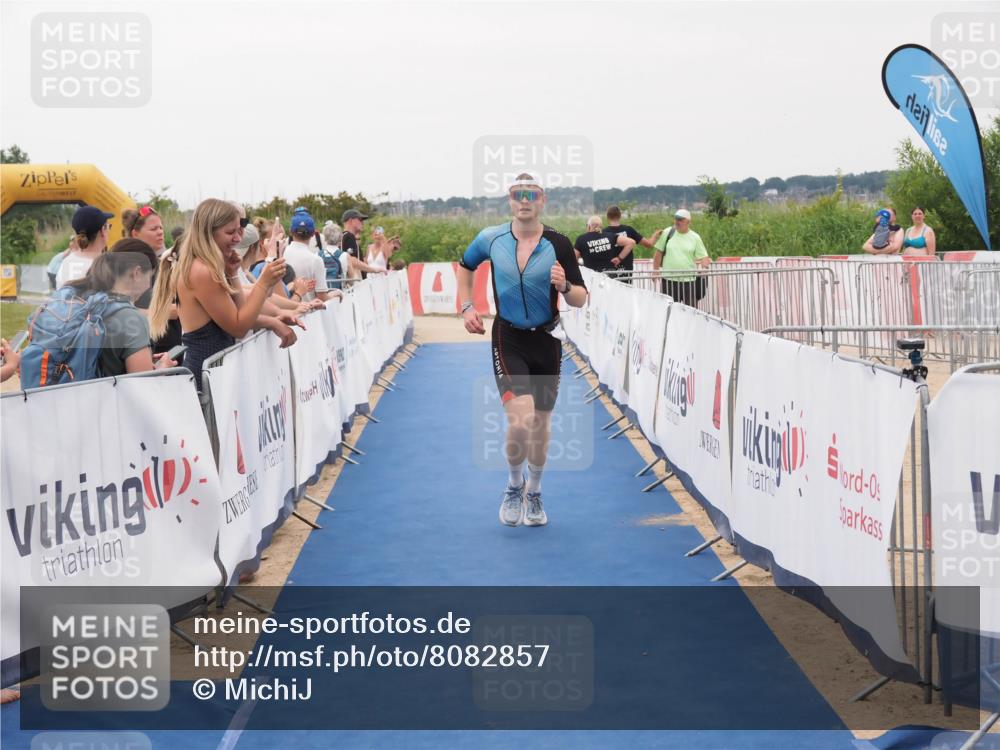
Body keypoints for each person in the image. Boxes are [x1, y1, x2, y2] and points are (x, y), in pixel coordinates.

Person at [458, 173, 587, 528]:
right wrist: (467, 306)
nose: (525, 201)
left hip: (547, 340)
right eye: (518, 194)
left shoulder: (558, 243)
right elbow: (466, 267)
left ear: (543, 200)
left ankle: (535, 491)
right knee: (521, 418)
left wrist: (565, 286)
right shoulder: (491, 238)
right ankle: (514, 485)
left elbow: (581, 298)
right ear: (509, 200)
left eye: (531, 195)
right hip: (509, 337)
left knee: (541, 420)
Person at [149, 198, 299, 391]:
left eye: (239, 231)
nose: (237, 238)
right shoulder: (202, 271)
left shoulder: (205, 266)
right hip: (206, 377)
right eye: (230, 232)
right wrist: (263, 283)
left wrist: (233, 273)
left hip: (215, 373)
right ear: (208, 233)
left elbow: (240, 312)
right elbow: (238, 328)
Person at [62, 240, 179, 376]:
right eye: (150, 277)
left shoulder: (80, 301)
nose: (149, 286)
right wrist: (163, 368)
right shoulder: (132, 319)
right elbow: (144, 384)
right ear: (137, 273)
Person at [652, 209, 711, 306]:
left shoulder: (695, 237)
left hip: (689, 281)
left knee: (690, 310)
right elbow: (659, 252)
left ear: (688, 222)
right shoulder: (668, 232)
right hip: (669, 280)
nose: (677, 221)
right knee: (669, 310)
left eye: (680, 219)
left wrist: (704, 268)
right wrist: (655, 270)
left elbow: (704, 257)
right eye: (675, 218)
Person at [284, 209, 335, 302]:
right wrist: (336, 294)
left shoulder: (282, 253)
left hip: (284, 309)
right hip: (308, 309)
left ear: (290, 231)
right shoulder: (316, 260)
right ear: (313, 233)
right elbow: (322, 297)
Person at [56, 206, 113, 288]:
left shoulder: (66, 262)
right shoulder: (101, 270)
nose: (109, 230)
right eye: (109, 226)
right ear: (103, 230)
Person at [603, 205, 662, 283]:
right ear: (620, 216)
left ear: (607, 217)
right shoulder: (629, 230)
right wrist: (655, 235)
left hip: (609, 273)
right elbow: (649, 244)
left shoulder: (603, 233)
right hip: (627, 273)